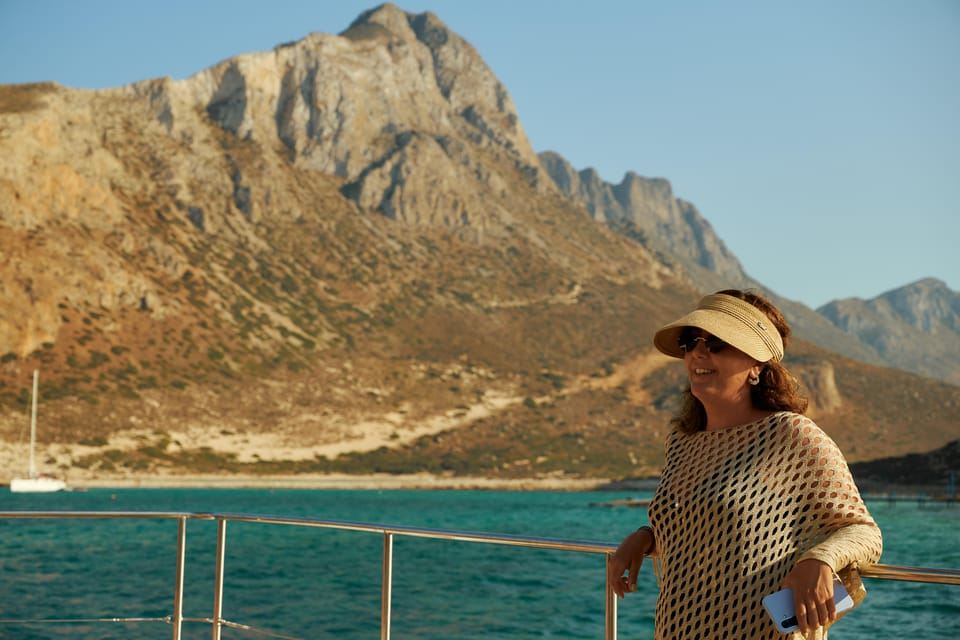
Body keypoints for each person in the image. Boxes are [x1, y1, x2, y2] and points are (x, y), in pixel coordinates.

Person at [607, 289, 882, 640]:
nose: (698, 353)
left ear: (757, 364)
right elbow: (704, 530)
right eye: (691, 342)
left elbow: (864, 531)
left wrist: (820, 559)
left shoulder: (791, 435)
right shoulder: (681, 441)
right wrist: (645, 537)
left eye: (717, 342)